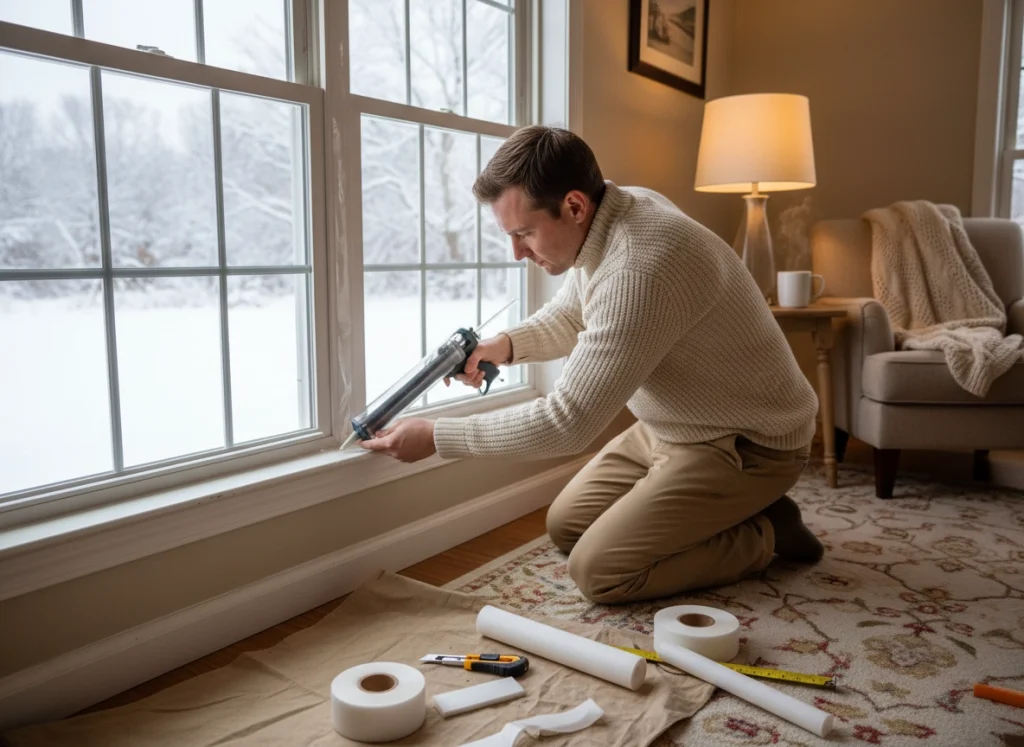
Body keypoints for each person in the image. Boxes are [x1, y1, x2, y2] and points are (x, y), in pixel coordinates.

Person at [361, 125, 824, 604]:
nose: (517, 252)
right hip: (674, 427)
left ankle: (766, 530)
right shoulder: (619, 208)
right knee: (567, 527)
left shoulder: (640, 267)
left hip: (747, 442)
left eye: (524, 233)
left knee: (600, 571)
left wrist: (438, 438)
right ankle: (728, 510)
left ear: (575, 206)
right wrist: (501, 345)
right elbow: (573, 314)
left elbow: (567, 424)